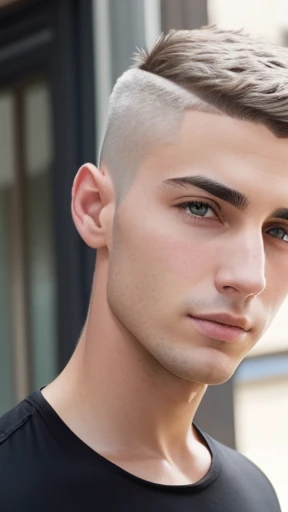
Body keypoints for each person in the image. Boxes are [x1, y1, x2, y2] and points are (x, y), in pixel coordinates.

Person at [1, 25, 287, 511]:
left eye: (281, 232)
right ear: (95, 208)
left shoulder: (255, 493)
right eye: (201, 208)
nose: (250, 277)